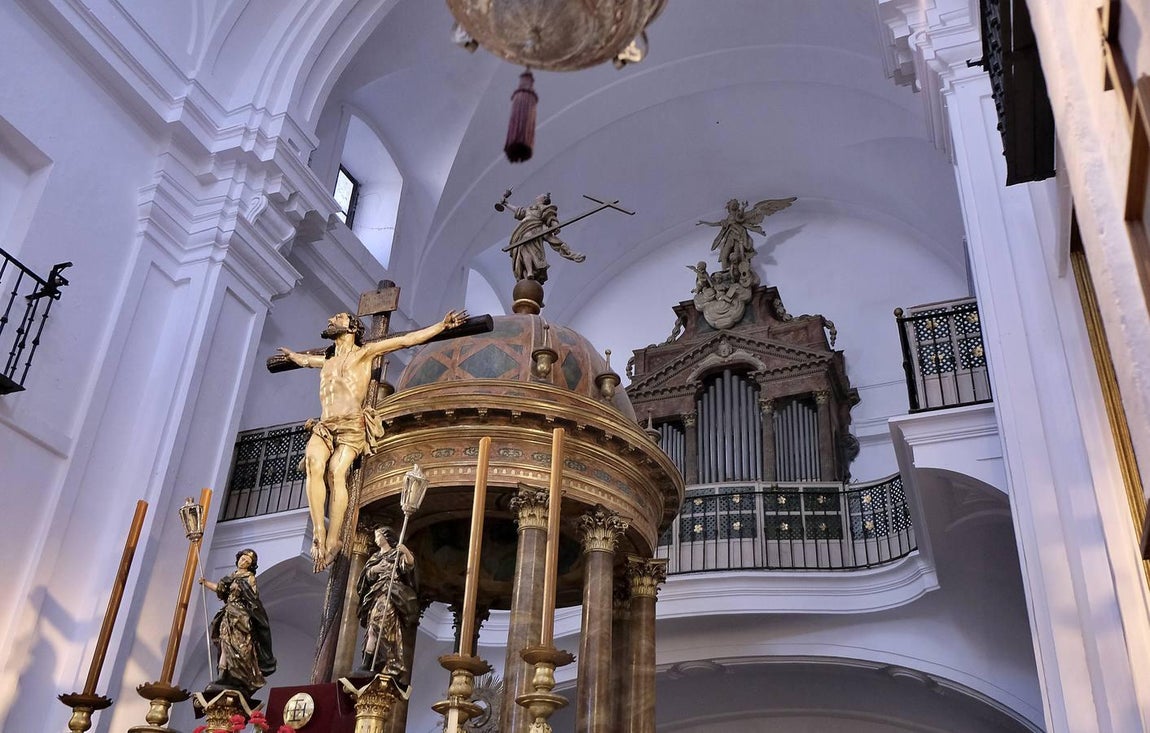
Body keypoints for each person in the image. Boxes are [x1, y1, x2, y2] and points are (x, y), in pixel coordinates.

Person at [278, 310, 467, 572]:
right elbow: (304, 360)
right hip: (325, 424)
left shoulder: (365, 353)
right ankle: (318, 534)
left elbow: (406, 340)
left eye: (338, 318)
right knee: (313, 463)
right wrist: (293, 357)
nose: (331, 320)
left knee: (336, 472)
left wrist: (441, 326)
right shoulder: (327, 360)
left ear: (353, 327)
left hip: (351, 425)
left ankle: (334, 540)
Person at [200, 549, 276, 697]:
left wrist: (251, 615)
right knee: (225, 644)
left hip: (241, 617)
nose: (244, 562)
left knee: (240, 646)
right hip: (228, 615)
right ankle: (223, 674)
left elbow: (253, 598)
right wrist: (205, 583)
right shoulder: (231, 577)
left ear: (250, 565)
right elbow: (221, 590)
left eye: (248, 561)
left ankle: (240, 676)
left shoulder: (250, 578)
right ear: (238, 559)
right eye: (243, 559)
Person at [357, 526, 419, 682]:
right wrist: (375, 569)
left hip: (391, 594)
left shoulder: (396, 554)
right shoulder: (375, 556)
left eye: (378, 536)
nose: (376, 539)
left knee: (382, 627)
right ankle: (367, 664)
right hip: (377, 593)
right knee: (372, 629)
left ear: (386, 537)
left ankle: (390, 662)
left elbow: (409, 566)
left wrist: (405, 551)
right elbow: (367, 577)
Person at [697, 196, 796, 272]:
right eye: (733, 204)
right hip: (730, 237)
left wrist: (744, 208)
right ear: (729, 207)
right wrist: (704, 222)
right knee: (724, 255)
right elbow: (715, 224)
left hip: (740, 236)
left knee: (740, 255)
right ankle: (724, 273)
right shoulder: (726, 220)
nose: (735, 205)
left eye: (736, 204)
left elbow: (740, 218)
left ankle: (742, 269)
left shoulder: (741, 215)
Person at [505, 193, 586, 283]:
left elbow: (551, 217)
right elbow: (518, 210)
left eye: (540, 195)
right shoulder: (530, 208)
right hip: (525, 231)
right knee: (526, 251)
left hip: (533, 230)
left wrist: (555, 226)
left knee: (525, 251)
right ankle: (529, 272)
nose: (537, 196)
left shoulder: (544, 207)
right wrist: (506, 204)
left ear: (543, 198)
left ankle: (530, 271)